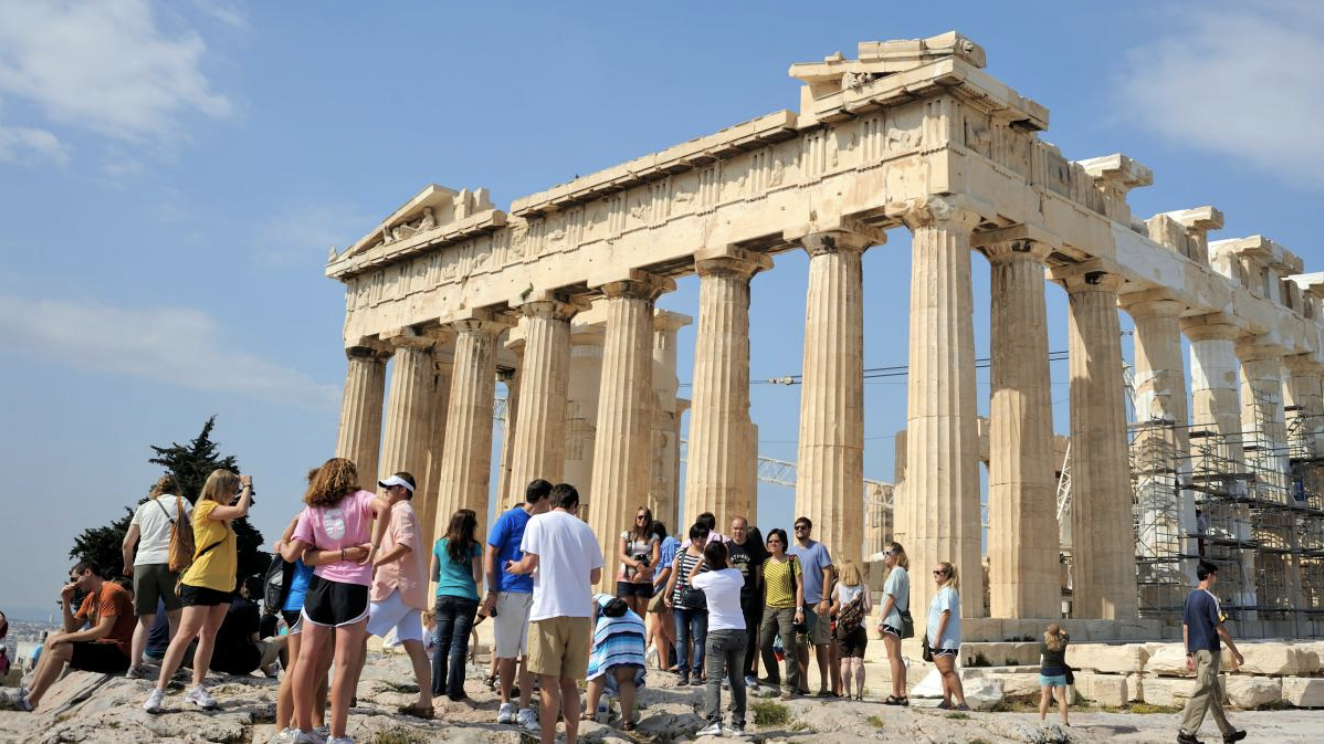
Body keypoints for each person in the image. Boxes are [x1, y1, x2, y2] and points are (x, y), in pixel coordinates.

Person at [286, 458, 392, 744]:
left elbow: (302, 555)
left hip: (319, 585)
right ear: (349, 477)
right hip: (352, 586)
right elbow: (385, 507)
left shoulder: (312, 509)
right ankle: (337, 734)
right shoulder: (360, 498)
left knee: (306, 658)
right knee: (344, 661)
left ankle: (303, 730)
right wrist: (376, 544)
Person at [143, 470, 254, 714]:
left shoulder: (223, 518)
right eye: (231, 490)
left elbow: (236, 513)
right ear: (220, 488)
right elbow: (241, 510)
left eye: (236, 490)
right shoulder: (205, 507)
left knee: (209, 634)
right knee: (185, 635)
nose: (234, 494)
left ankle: (197, 686)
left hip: (223, 585)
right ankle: (159, 691)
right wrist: (247, 486)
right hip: (201, 580)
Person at [506, 483, 604, 744]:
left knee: (548, 684)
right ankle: (571, 741)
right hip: (580, 613)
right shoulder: (586, 529)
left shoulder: (538, 522)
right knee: (570, 683)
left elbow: (528, 565)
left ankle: (548, 741)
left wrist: (515, 567)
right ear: (575, 505)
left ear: (550, 501)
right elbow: (595, 576)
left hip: (548, 610)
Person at [19, 561, 136, 711]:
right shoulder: (91, 597)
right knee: (51, 639)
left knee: (59, 649)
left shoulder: (111, 591)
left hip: (119, 653)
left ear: (87, 573)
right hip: (104, 647)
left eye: (75, 579)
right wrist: (66, 601)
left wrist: (66, 638)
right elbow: (71, 628)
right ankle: (30, 689)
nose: (74, 584)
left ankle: (30, 701)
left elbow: (103, 631)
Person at [364, 472, 433, 718]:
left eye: (389, 488)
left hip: (396, 586)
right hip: (409, 589)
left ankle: (346, 693)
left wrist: (374, 561)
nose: (384, 491)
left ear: (402, 490)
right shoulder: (401, 510)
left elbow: (405, 545)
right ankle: (425, 703)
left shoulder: (401, 510)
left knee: (356, 636)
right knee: (415, 646)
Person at [484, 479, 552, 729]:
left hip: (537, 594)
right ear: (544, 498)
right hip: (508, 591)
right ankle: (504, 703)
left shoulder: (544, 524)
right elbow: (490, 551)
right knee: (507, 654)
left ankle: (524, 707)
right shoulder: (510, 518)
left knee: (530, 655)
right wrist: (492, 588)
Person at [272, 510, 332, 743]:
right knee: (297, 664)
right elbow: (296, 552)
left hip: (308, 599)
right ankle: (283, 727)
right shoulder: (312, 524)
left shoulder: (306, 521)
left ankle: (298, 719)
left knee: (324, 659)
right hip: (303, 600)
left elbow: (283, 542)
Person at [121, 474, 189, 678]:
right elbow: (197, 527)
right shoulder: (181, 502)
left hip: (143, 563)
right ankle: (174, 666)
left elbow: (127, 544)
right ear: (175, 489)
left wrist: (129, 566)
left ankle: (134, 666)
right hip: (171, 563)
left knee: (144, 620)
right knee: (175, 616)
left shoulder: (144, 508)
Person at [1178, 560, 1247, 744]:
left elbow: (1185, 627)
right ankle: (1187, 732)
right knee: (1203, 690)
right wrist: (1236, 653)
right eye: (1215, 574)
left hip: (1196, 650)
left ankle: (1228, 732)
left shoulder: (1190, 597)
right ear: (1208, 575)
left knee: (1213, 692)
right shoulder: (1210, 598)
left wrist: (1188, 654)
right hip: (1209, 650)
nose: (1216, 577)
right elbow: (1220, 630)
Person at [692, 541, 748, 738]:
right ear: (725, 556)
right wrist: (726, 558)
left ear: (708, 559)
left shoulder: (705, 578)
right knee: (738, 680)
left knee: (714, 680)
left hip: (717, 631)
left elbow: (690, 578)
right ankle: (739, 724)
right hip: (739, 630)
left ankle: (714, 722)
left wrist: (701, 560)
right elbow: (734, 572)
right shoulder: (736, 575)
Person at [431, 507, 483, 702]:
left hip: (444, 596)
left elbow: (433, 575)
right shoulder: (474, 547)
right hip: (466, 597)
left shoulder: (439, 544)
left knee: (441, 643)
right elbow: (478, 577)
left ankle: (436, 689)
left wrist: (448, 579)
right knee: (459, 644)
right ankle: (455, 691)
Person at [583, 594, 646, 732]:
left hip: (607, 626)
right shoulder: (606, 597)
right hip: (635, 625)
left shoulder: (588, 596)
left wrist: (592, 630)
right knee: (626, 679)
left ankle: (590, 714)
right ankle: (627, 723)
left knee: (597, 674)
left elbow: (592, 603)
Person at [787, 517, 833, 696]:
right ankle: (803, 683)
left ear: (809, 529)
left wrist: (825, 599)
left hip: (817, 603)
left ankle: (824, 686)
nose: (800, 530)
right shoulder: (790, 551)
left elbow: (828, 573)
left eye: (803, 527)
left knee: (821, 644)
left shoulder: (819, 548)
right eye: (797, 527)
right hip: (798, 604)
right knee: (799, 644)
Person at [209, 577, 286, 677]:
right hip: (238, 664)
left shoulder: (222, 602)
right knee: (285, 639)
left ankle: (270, 671)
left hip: (214, 662)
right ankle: (282, 673)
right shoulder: (250, 608)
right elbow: (255, 641)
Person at [758, 528, 803, 700]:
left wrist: (799, 609)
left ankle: (791, 686)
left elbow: (800, 585)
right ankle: (773, 677)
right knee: (764, 644)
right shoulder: (766, 563)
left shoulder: (792, 560)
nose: (772, 544)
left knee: (789, 648)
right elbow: (765, 589)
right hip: (769, 608)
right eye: (770, 541)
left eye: (776, 541)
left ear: (783, 543)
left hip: (788, 608)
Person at [664, 523, 711, 686]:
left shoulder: (708, 556)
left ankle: (697, 672)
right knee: (681, 638)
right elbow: (673, 576)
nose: (700, 539)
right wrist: (666, 595)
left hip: (700, 604)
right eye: (697, 536)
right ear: (692, 537)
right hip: (680, 602)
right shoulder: (681, 553)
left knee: (699, 639)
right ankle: (683, 672)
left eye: (704, 536)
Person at [728, 517, 767, 690]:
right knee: (730, 634)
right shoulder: (727, 548)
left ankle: (746, 673)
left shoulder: (754, 548)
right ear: (732, 529)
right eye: (735, 528)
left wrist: (753, 590)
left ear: (746, 529)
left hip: (749, 596)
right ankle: (730, 674)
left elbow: (758, 573)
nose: (738, 531)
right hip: (730, 598)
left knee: (750, 635)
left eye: (741, 528)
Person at [927, 561, 968, 711]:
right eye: (934, 572)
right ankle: (946, 701)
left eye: (939, 572)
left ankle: (962, 703)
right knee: (943, 671)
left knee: (948, 671)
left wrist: (937, 636)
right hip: (938, 639)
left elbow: (945, 614)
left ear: (947, 574)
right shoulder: (943, 591)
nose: (935, 575)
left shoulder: (948, 591)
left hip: (945, 639)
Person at [876, 541, 911, 706]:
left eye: (887, 553)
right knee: (897, 657)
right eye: (884, 553)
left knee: (893, 658)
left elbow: (891, 597)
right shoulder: (902, 572)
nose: (885, 556)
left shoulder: (897, 572)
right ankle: (902, 693)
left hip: (891, 618)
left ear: (896, 555)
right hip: (896, 618)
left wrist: (881, 619)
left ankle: (896, 694)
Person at [831, 559, 871, 701]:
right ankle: (859, 694)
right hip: (859, 627)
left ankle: (847, 693)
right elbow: (869, 608)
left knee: (845, 662)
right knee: (858, 662)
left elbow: (833, 598)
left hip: (843, 627)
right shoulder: (864, 587)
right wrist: (857, 608)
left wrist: (845, 605)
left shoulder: (838, 586)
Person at [616, 506, 660, 617]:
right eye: (640, 517)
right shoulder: (626, 535)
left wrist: (643, 573)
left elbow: (656, 558)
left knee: (640, 617)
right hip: (626, 578)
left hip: (645, 579)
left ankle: (639, 634)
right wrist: (636, 563)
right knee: (627, 615)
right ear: (636, 518)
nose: (643, 520)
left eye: (646, 518)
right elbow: (622, 555)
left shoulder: (654, 537)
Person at [646, 521, 679, 671]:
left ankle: (687, 661)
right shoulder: (655, 545)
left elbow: (669, 568)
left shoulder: (670, 542)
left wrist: (653, 585)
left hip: (665, 588)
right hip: (655, 589)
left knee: (669, 628)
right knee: (658, 629)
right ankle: (664, 665)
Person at [740, 525, 766, 684]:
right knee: (754, 636)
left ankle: (741, 668)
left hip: (749, 596)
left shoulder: (750, 553)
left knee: (745, 635)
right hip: (761, 597)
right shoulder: (766, 555)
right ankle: (754, 669)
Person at [1038, 623, 1070, 726]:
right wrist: (1060, 631)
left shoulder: (1043, 645)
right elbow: (1067, 635)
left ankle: (1041, 721)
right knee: (1062, 698)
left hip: (1046, 673)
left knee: (1045, 698)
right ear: (1058, 632)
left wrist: (1047, 634)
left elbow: (1047, 639)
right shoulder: (1062, 644)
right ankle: (1065, 722)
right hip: (1059, 673)